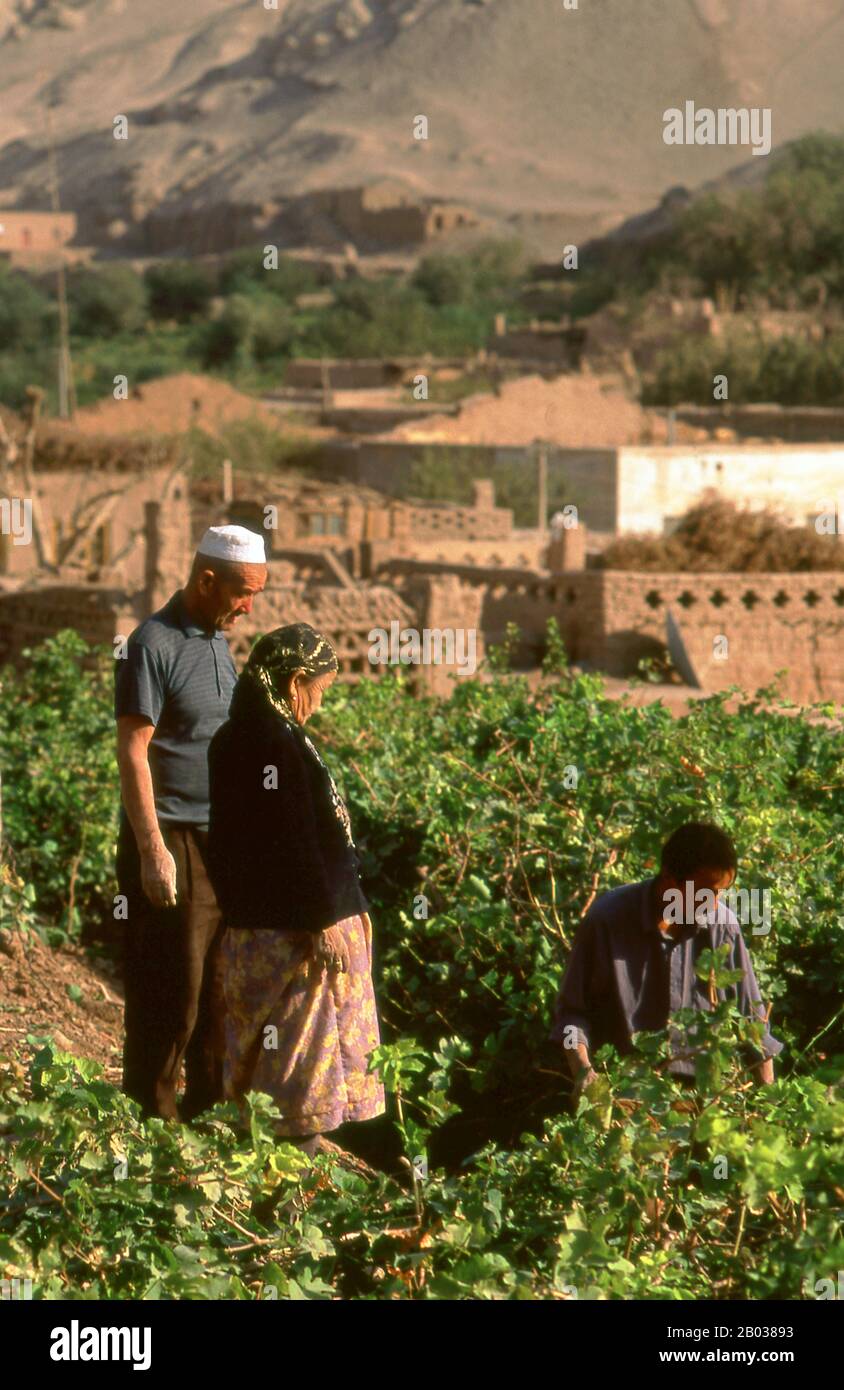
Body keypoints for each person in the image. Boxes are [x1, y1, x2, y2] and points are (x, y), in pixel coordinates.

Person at [206, 623, 386, 1159]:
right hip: (299, 938)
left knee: (268, 1053)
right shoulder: (278, 744)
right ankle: (300, 1154)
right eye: (320, 690)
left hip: (250, 931)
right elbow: (294, 837)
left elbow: (231, 843)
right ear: (294, 682)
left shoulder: (231, 737)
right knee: (303, 1057)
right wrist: (321, 921)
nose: (320, 704)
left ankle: (283, 1146)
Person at [115, 524, 267, 1121]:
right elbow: (133, 750)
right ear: (207, 580)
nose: (248, 607)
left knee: (216, 991)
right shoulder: (151, 644)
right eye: (241, 592)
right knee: (170, 990)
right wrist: (154, 851)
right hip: (172, 837)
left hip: (217, 840)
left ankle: (207, 1116)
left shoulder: (216, 641)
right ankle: (150, 1122)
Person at [550, 821, 783, 1097]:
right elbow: (570, 1016)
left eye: (721, 892)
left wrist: (768, 1103)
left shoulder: (723, 927)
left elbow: (754, 1027)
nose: (714, 903)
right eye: (706, 892)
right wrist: (584, 1073)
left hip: (704, 1095)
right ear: (670, 878)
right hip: (624, 1089)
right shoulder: (607, 922)